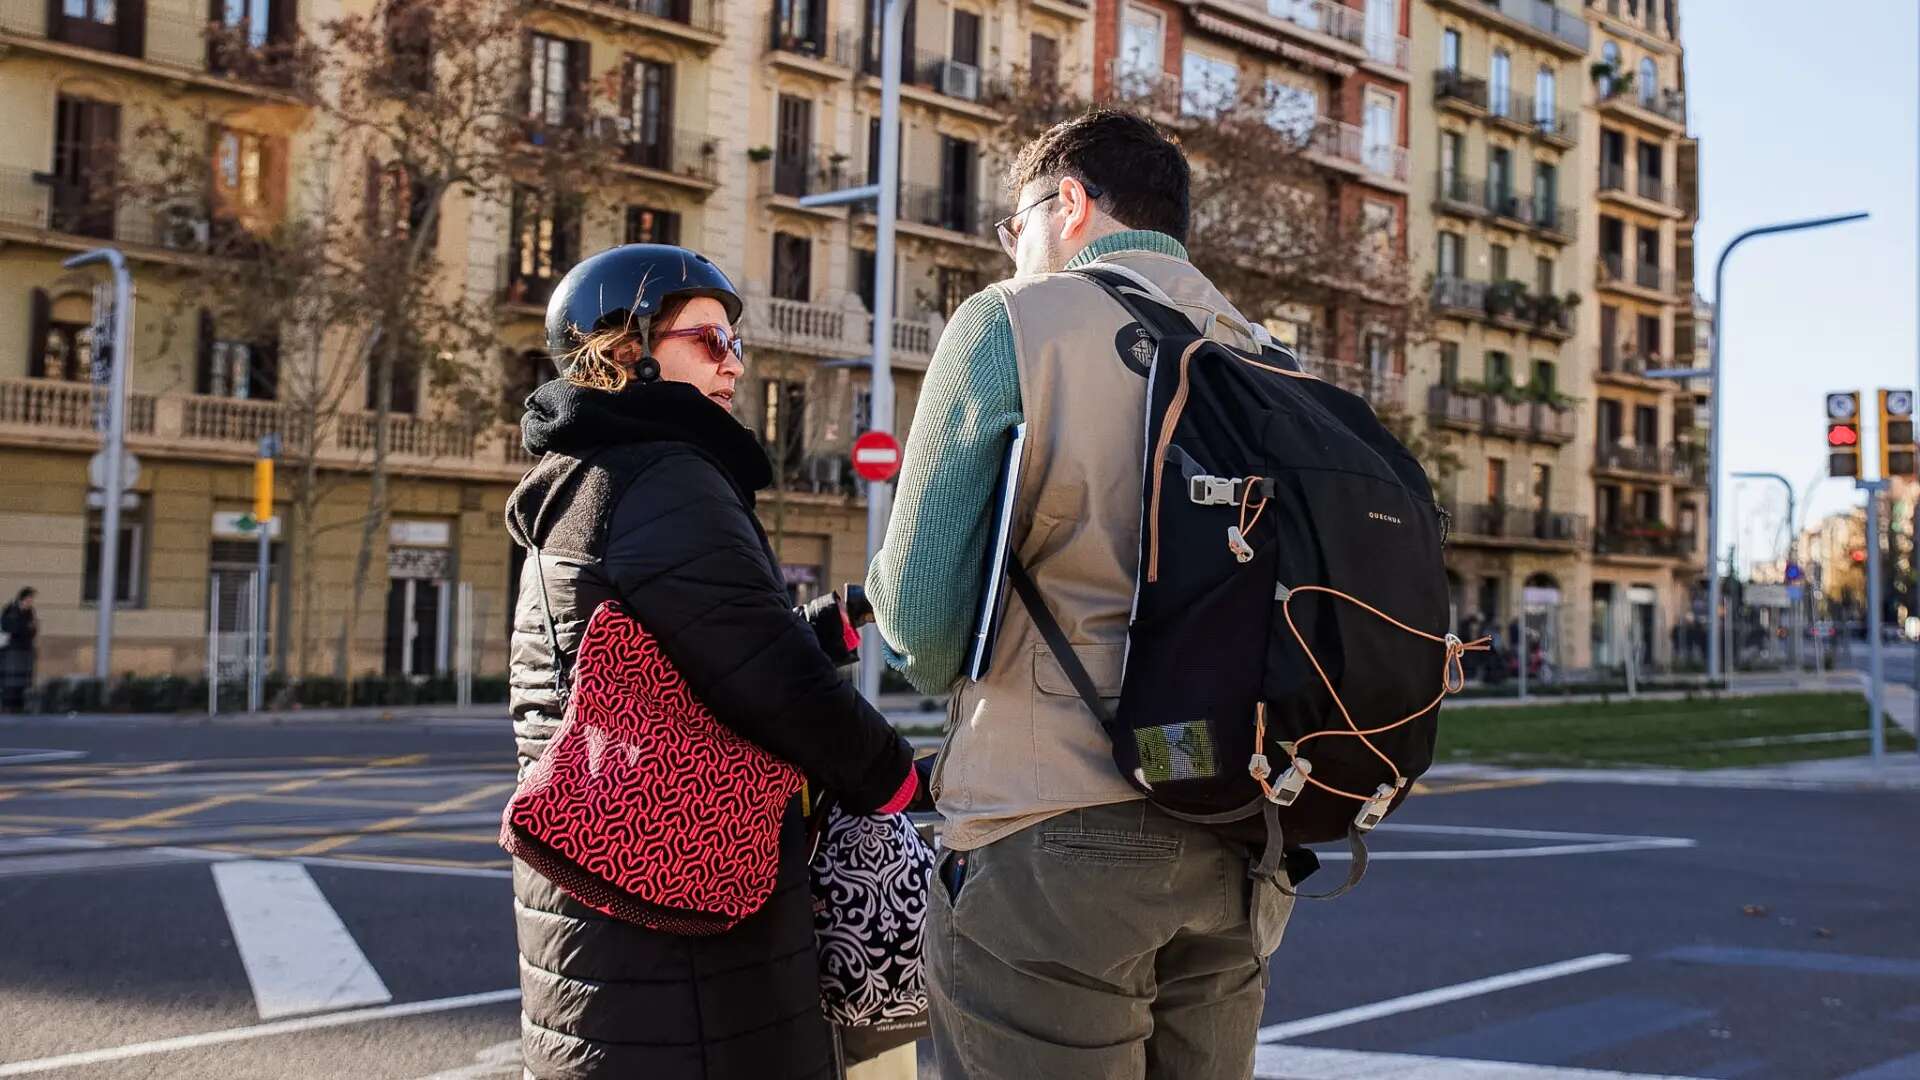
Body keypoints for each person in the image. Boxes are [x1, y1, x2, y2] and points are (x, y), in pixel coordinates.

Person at [866, 110, 1296, 1079]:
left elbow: (922, 627)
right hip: (1239, 829)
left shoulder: (1014, 321)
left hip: (1052, 822)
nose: (1011, 252)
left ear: (1069, 202)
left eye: (1012, 228)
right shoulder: (1270, 356)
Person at [504, 244, 919, 1080]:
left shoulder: (588, 474)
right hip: (684, 913)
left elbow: (677, 653)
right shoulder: (666, 475)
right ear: (625, 350)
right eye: (707, 341)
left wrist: (836, 621)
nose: (732, 364)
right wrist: (898, 780)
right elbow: (768, 679)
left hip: (609, 895)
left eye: (734, 343)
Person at [1, 588, 37, 712]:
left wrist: (26, 629)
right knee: (10, 681)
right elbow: (8, 627)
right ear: (23, 598)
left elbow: (33, 629)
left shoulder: (30, 612)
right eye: (29, 599)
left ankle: (20, 705)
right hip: (12, 650)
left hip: (25, 649)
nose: (31, 602)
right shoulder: (11, 610)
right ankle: (8, 705)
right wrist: (24, 628)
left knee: (23, 681)